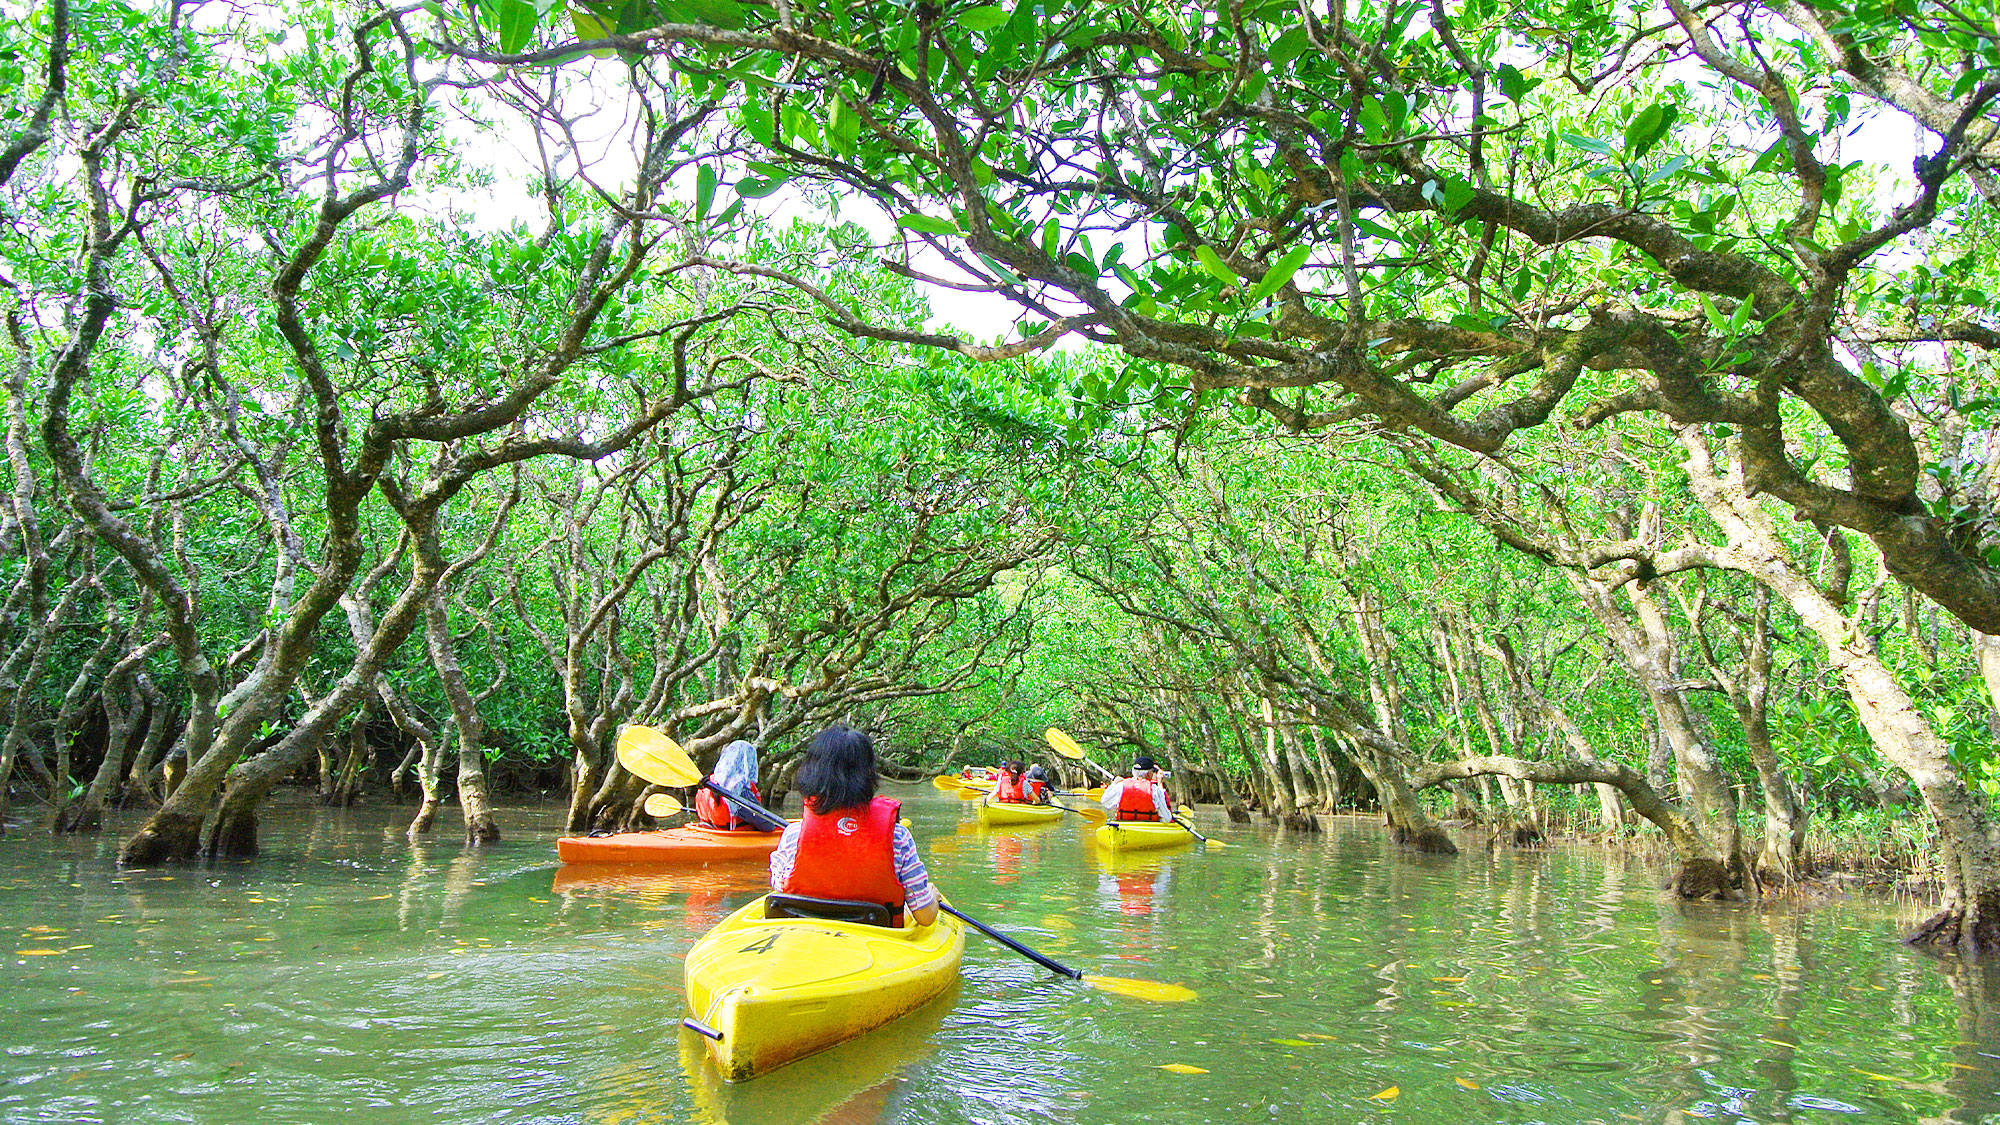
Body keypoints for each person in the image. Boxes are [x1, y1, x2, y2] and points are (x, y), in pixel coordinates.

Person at [769, 726, 940, 927]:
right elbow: (925, 917)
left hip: (805, 936)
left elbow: (780, 892)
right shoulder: (898, 837)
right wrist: (931, 896)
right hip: (876, 939)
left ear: (813, 772)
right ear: (868, 774)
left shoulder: (793, 834)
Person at [693, 739, 764, 831]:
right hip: (737, 837)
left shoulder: (707, 782)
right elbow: (766, 826)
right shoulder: (741, 789)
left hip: (711, 832)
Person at [1099, 755, 1174, 823]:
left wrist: (1114, 783)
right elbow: (1166, 819)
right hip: (1148, 828)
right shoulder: (1155, 789)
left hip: (1124, 825)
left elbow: (1104, 801)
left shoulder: (1121, 786)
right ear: (1149, 773)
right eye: (1153, 771)